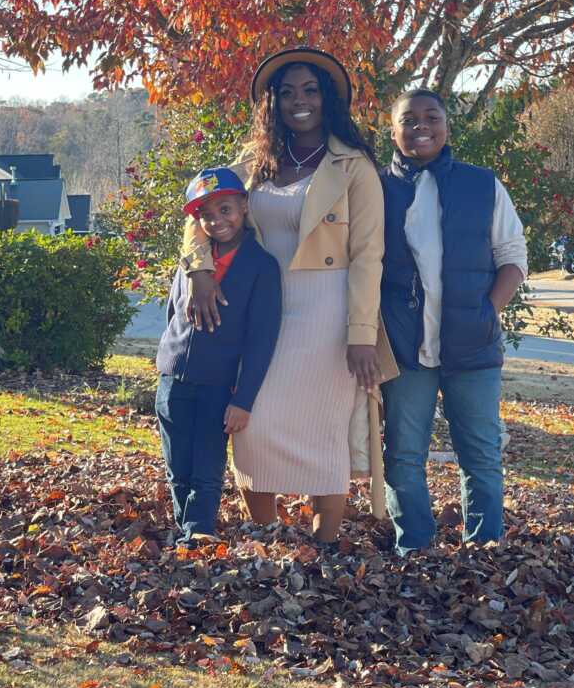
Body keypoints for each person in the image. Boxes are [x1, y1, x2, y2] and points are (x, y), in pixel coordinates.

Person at [181, 47, 392, 543]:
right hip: (255, 308)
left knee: (324, 430)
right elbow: (197, 214)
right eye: (287, 92)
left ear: (328, 99)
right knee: (252, 423)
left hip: (328, 311)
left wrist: (361, 334)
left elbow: (368, 254)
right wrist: (200, 270)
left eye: (311, 90)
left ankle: (325, 546)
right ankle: (267, 535)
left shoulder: (353, 165)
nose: (300, 101)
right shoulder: (254, 163)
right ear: (272, 103)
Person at [380, 88, 527, 554]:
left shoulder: (481, 184)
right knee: (403, 455)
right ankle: (414, 548)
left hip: (473, 345)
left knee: (480, 454)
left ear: (447, 125)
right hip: (404, 347)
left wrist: (488, 312)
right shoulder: (375, 189)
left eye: (432, 117)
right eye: (409, 119)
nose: (421, 126)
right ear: (393, 129)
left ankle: (483, 548)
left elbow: (513, 256)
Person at [155, 167, 282, 546]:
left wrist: (243, 399)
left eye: (225, 209)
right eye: (206, 215)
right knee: (177, 467)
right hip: (172, 380)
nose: (217, 221)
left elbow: (262, 340)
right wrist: (168, 360)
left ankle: (200, 533)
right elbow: (172, 314)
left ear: (243, 206)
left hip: (218, 385)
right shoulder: (192, 262)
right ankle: (186, 532)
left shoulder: (262, 267)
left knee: (206, 468)